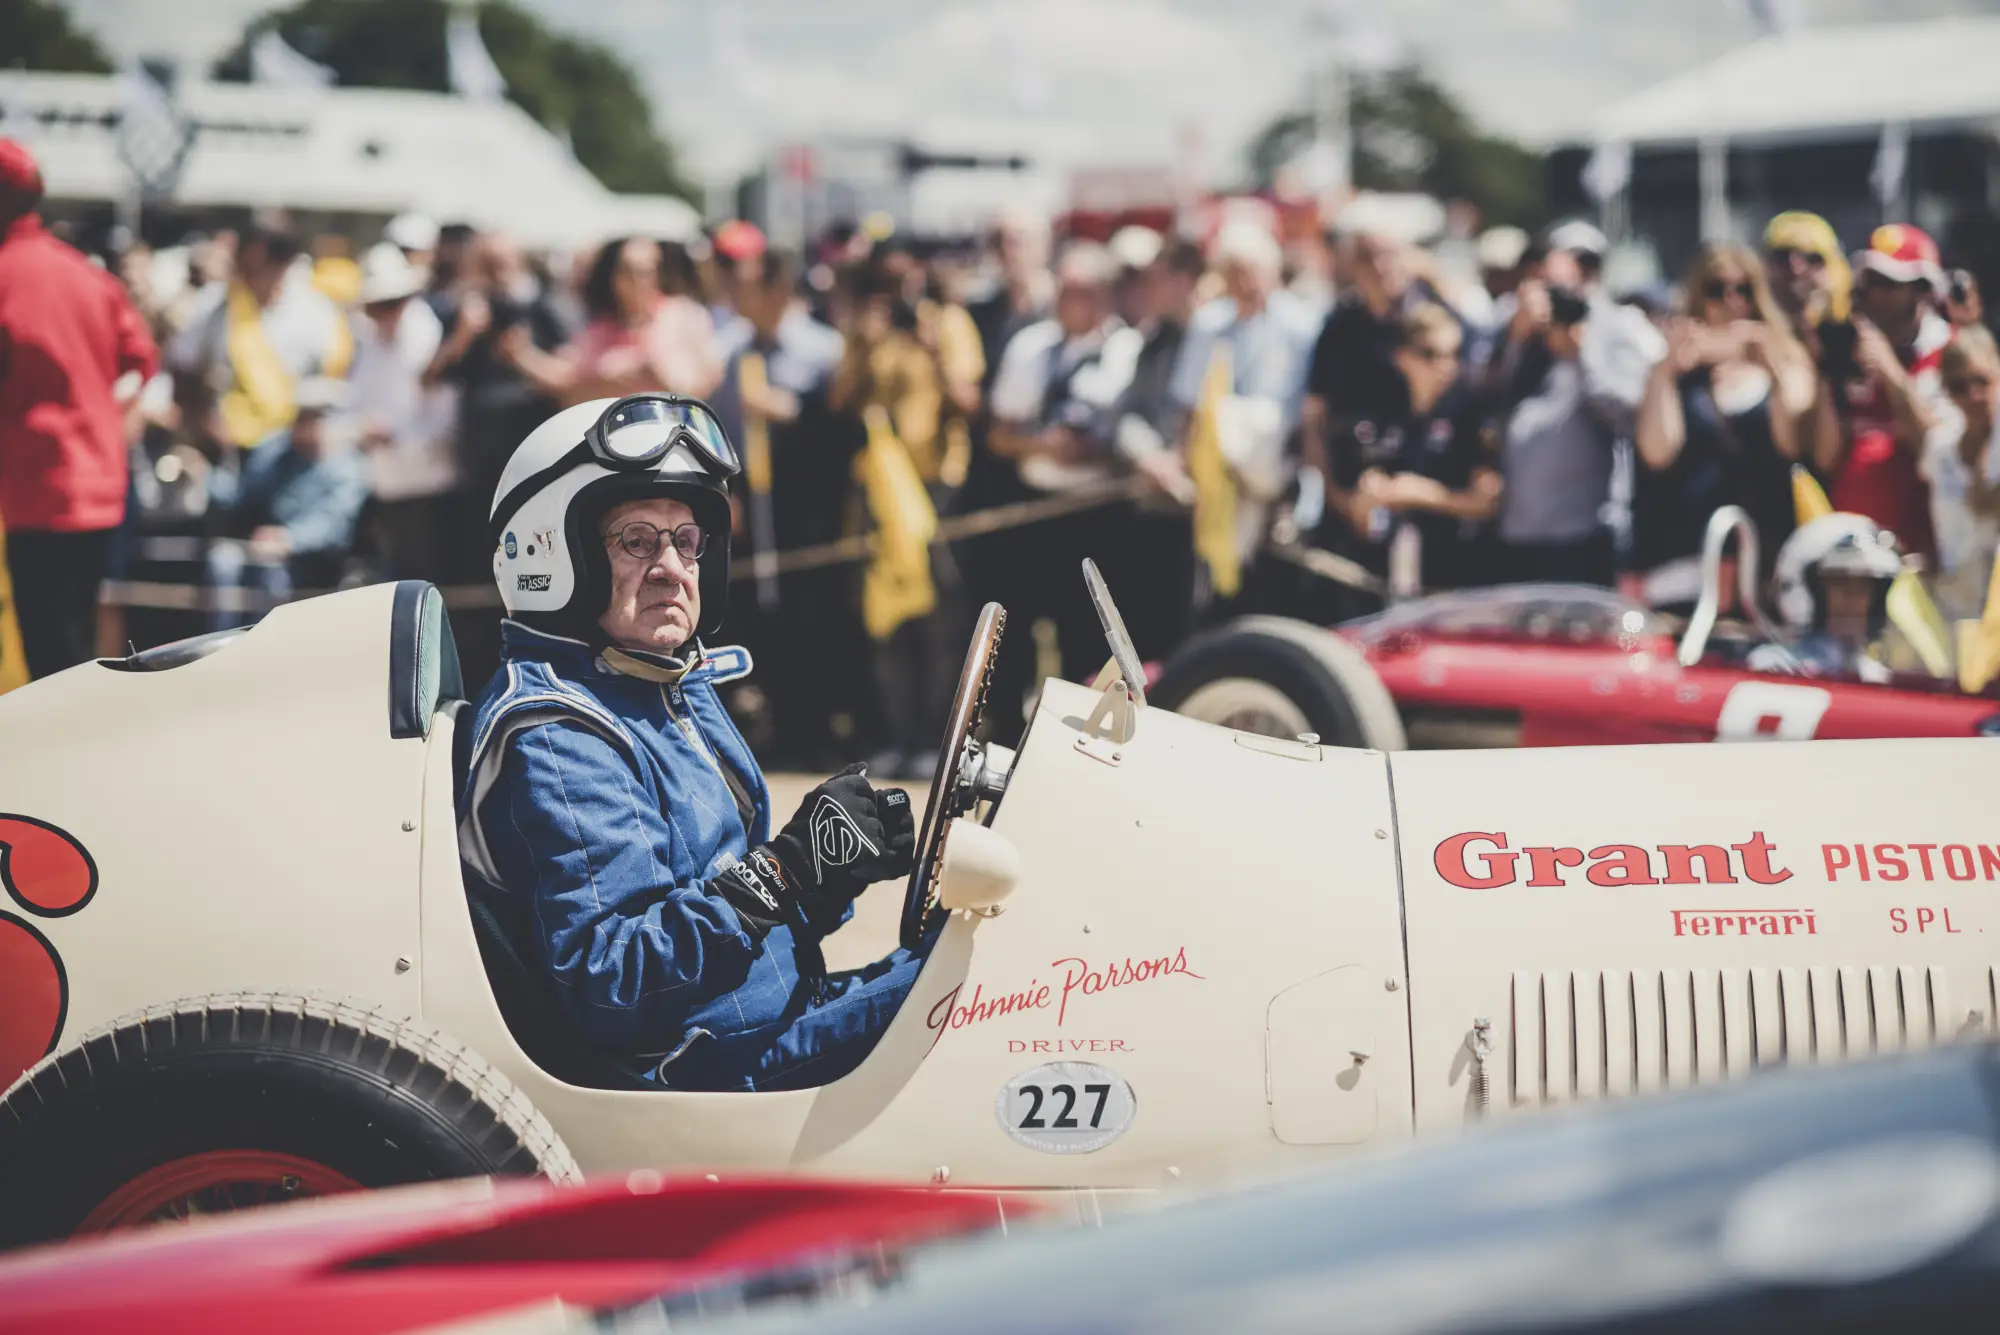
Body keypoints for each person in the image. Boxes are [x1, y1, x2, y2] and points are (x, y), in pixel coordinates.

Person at [457, 393, 926, 1091]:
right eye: (637, 540)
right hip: (702, 1068)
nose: (673, 567)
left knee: (997, 949)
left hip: (762, 1022)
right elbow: (613, 983)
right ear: (556, 550)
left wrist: (827, 877)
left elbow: (729, 906)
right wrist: (787, 869)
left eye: (687, 540)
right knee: (1006, 987)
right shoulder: (560, 732)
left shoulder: (653, 680)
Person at [0, 138, 159, 679]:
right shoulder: (89, 276)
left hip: (33, 491)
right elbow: (140, 361)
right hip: (96, 486)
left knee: (45, 652)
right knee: (78, 644)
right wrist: (108, 415)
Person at [980, 243, 1144, 734]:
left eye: (1085, 291)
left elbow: (1133, 437)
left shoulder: (1128, 351)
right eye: (1066, 289)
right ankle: (1008, 734)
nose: (1073, 300)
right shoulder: (1031, 346)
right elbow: (999, 433)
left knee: (1087, 638)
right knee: (1018, 631)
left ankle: (1080, 736)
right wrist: (1042, 446)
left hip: (1099, 513)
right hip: (1035, 507)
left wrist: (1091, 451)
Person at [711, 254, 866, 769]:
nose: (737, 295)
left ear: (778, 289)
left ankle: (819, 728)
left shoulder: (822, 349)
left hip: (810, 509)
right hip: (756, 506)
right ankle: (783, 726)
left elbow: (844, 428)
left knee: (815, 616)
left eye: (749, 286)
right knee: (767, 618)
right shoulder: (735, 352)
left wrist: (791, 411)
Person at [1631, 242, 1817, 604]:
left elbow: (1791, 442)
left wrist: (1772, 369)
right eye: (1718, 290)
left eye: (1743, 290)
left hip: (1766, 554)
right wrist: (1665, 373)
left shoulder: (1787, 355)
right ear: (1700, 296)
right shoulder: (1677, 367)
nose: (1733, 302)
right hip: (1689, 551)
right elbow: (1657, 452)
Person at [1488, 220, 1666, 585]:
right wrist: (1515, 339)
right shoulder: (1520, 325)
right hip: (1516, 530)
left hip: (1583, 533)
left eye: (1589, 263)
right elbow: (1481, 394)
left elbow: (1628, 416)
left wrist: (1582, 355)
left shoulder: (1619, 326)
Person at [1325, 304, 1501, 595]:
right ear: (1402, 356)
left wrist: (1422, 493)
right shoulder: (1387, 410)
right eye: (1431, 354)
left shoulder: (1471, 412)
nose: (1446, 366)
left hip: (1453, 572)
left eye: (1454, 354)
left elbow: (1487, 501)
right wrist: (1368, 497)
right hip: (1389, 571)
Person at [1812, 224, 1953, 564]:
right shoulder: (1848, 353)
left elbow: (1939, 453)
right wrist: (1826, 370)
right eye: (1871, 283)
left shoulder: (1949, 356)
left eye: (1890, 285)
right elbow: (1824, 456)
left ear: (1923, 290)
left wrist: (1890, 371)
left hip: (1919, 557)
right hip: (1851, 559)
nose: (1877, 297)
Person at [169, 223, 352, 455]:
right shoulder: (213, 306)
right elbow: (182, 368)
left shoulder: (313, 310)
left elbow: (333, 376)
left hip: (292, 448)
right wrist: (206, 423)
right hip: (227, 447)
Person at [204, 378, 368, 632]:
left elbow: (333, 527)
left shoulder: (347, 468)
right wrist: (213, 468)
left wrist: (288, 540)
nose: (306, 425)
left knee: (271, 576)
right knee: (223, 561)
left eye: (315, 417)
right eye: (302, 416)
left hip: (313, 562)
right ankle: (220, 644)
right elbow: (239, 496)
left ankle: (262, 651)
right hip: (261, 547)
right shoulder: (277, 454)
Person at [347, 244, 457, 585]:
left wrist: (393, 434)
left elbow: (443, 410)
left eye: (392, 303)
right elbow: (357, 401)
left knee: (428, 578)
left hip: (428, 482)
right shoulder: (370, 344)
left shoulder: (426, 333)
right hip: (388, 482)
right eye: (377, 306)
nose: (385, 314)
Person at [509, 236, 722, 407]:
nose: (636, 281)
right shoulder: (600, 329)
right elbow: (565, 379)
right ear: (613, 277)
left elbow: (710, 380)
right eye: (627, 271)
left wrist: (663, 381)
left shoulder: (684, 315)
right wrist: (522, 355)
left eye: (644, 271)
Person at [1757, 512, 1905, 681]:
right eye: (1841, 583)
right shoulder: (1774, 668)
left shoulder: (1876, 677)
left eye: (1864, 586)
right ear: (1806, 588)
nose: (1854, 599)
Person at [1925, 327, 2000, 618]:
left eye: (1982, 381)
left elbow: (1985, 504)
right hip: (1955, 608)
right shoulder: (1939, 447)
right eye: (1959, 386)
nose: (1973, 395)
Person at [1761, 211, 1851, 343]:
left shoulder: (1850, 338)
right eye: (1783, 256)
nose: (1797, 269)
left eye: (1812, 258)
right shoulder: (1749, 336)